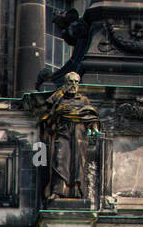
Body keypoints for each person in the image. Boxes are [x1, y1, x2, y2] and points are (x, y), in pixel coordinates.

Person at [40, 71, 100, 201]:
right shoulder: (58, 99)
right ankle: (57, 191)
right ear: (65, 83)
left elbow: (91, 115)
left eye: (76, 82)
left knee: (78, 163)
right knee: (59, 160)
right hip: (62, 134)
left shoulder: (84, 100)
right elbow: (48, 121)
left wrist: (93, 128)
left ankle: (78, 191)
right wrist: (57, 113)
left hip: (79, 136)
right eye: (70, 82)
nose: (73, 84)